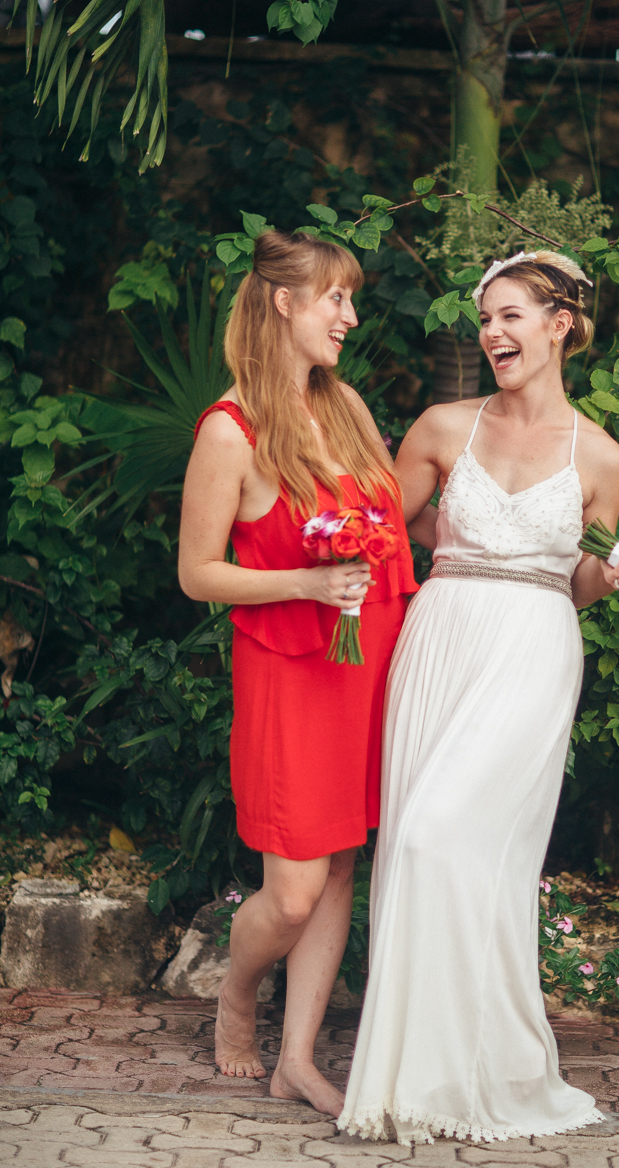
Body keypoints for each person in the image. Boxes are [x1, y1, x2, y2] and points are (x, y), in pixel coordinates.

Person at [338, 249, 619, 1144]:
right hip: (439, 643)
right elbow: (377, 537)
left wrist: (618, 571)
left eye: (510, 315)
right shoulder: (440, 428)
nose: (491, 333)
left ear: (559, 326)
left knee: (458, 841)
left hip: (531, 652)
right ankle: (415, 1077)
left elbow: (576, 581)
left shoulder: (602, 457)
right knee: (417, 846)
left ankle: (485, 1071)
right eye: (485, 318)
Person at [178, 230, 418, 1117]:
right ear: (284, 302)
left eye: (351, 300)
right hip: (290, 673)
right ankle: (238, 990)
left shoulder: (348, 406)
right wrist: (307, 581)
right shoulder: (227, 430)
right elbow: (197, 572)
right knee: (291, 894)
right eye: (336, 300)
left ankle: (298, 1060)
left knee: (342, 869)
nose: (350, 317)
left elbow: (391, 530)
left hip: (369, 667)